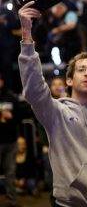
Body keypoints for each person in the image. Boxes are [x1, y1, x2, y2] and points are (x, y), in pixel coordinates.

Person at [17, 1, 87, 207]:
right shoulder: (55, 112)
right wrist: (27, 36)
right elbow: (34, 89)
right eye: (82, 69)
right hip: (69, 203)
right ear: (70, 80)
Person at [0, 72, 21, 207]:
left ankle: (12, 201)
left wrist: (12, 116)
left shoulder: (11, 97)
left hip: (11, 141)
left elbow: (20, 116)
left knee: (10, 173)